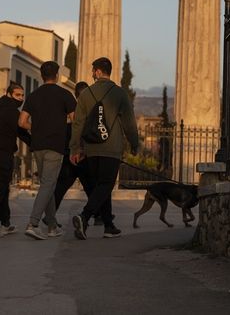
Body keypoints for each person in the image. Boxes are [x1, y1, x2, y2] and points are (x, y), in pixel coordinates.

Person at [70, 57, 140, 240]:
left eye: (93, 70)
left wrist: (75, 148)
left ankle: (109, 226)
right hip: (111, 147)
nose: (92, 74)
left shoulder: (85, 94)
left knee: (101, 185)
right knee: (106, 184)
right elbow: (129, 123)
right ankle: (84, 217)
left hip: (91, 148)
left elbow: (78, 124)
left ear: (99, 71)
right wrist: (134, 143)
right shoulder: (119, 93)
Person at [18, 61, 77, 240]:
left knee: (47, 184)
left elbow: (21, 122)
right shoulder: (65, 94)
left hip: (37, 146)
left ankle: (52, 226)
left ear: (42, 76)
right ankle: (33, 223)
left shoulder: (33, 95)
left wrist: (36, 128)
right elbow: (76, 120)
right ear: (57, 75)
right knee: (48, 184)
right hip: (55, 145)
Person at [0, 82, 31, 238]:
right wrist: (38, 144)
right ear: (9, 94)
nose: (21, 98)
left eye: (22, 95)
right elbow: (23, 133)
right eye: (17, 95)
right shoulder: (13, 113)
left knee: (2, 188)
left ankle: (5, 224)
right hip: (2, 155)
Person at [52, 81, 95, 212]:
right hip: (82, 155)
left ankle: (50, 215)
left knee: (60, 188)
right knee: (91, 187)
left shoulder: (72, 109)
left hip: (70, 155)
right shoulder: (91, 111)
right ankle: (99, 215)